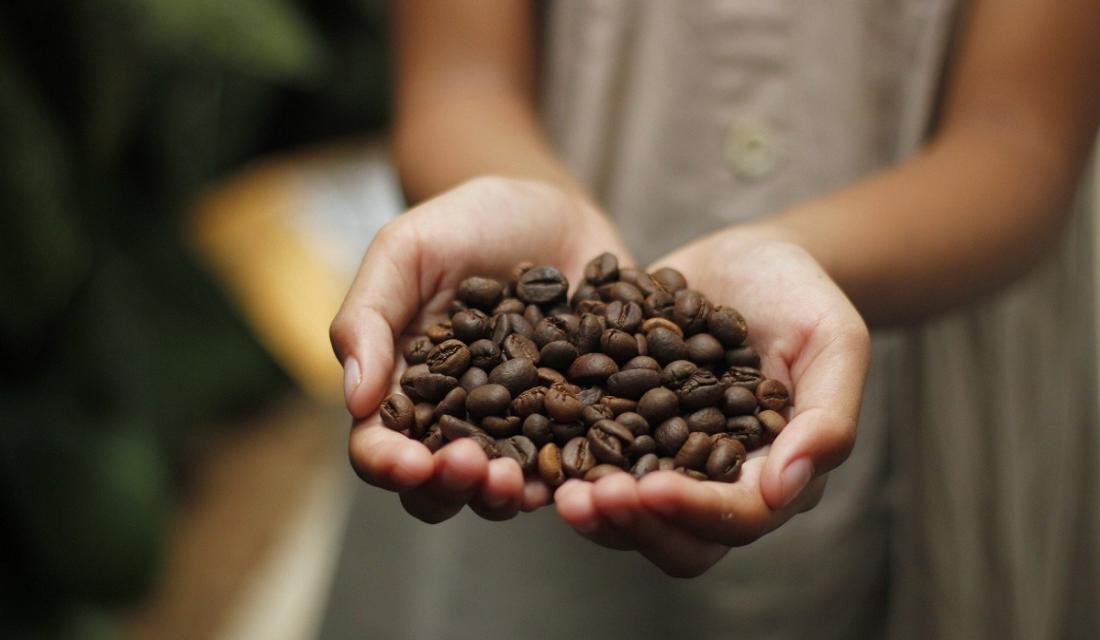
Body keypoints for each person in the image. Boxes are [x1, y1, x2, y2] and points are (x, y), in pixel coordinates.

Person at [328, 2, 1100, 637]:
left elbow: (1021, 141)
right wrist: (515, 201)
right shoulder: (534, 353)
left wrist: (795, 250)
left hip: (939, 376)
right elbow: (458, 86)